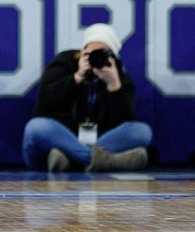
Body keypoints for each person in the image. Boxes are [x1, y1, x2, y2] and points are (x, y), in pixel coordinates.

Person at [23, 23, 152, 172]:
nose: (95, 58)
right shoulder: (64, 62)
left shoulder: (118, 76)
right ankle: (101, 161)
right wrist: (76, 77)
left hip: (97, 140)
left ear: (112, 57)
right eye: (90, 53)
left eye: (102, 53)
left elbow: (122, 123)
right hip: (60, 139)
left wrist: (114, 85)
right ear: (82, 50)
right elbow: (45, 102)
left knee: (142, 131)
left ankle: (71, 159)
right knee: (36, 127)